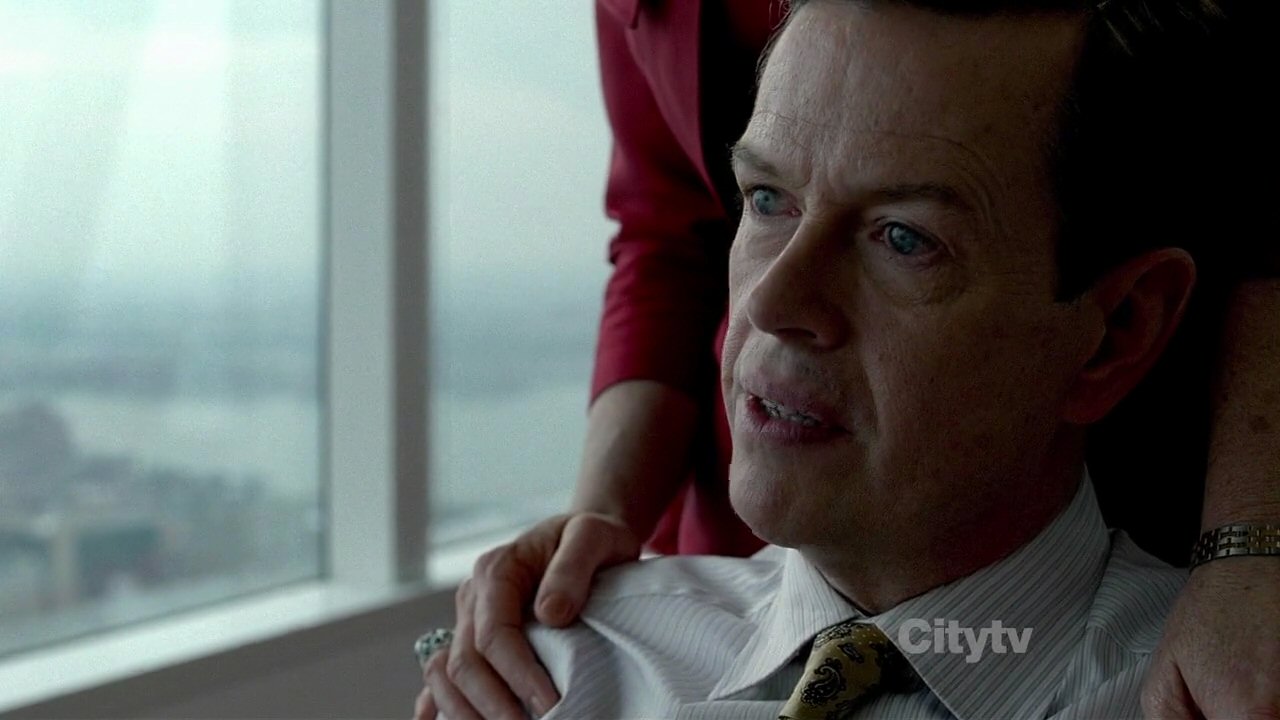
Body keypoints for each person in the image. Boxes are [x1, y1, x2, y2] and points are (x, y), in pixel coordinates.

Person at [416, 0, 1280, 717]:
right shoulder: (563, 679)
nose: (769, 305)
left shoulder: (1207, 691)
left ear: (1117, 330)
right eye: (765, 199)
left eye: (904, 239)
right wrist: (594, 535)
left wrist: (1252, 547)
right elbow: (663, 237)